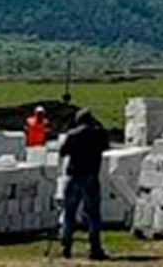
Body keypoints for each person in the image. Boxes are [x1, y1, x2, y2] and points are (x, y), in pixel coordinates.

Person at [59, 108, 109, 260]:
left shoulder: (72, 135)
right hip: (90, 176)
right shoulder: (98, 134)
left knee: (69, 213)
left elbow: (62, 152)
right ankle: (95, 249)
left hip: (73, 176)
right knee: (92, 213)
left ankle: (66, 247)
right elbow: (106, 147)